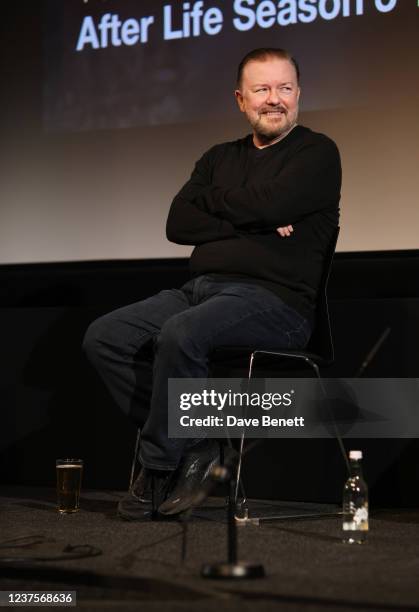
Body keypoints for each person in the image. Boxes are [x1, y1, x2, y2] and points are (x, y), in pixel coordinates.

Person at [83, 47, 341, 520]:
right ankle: (196, 442)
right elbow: (179, 222)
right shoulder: (218, 157)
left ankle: (158, 466)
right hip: (199, 290)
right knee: (106, 337)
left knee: (183, 333)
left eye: (285, 88)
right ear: (240, 99)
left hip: (276, 303)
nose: (274, 99)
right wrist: (259, 219)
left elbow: (264, 206)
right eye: (262, 89)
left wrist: (226, 207)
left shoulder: (317, 153)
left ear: (299, 94)